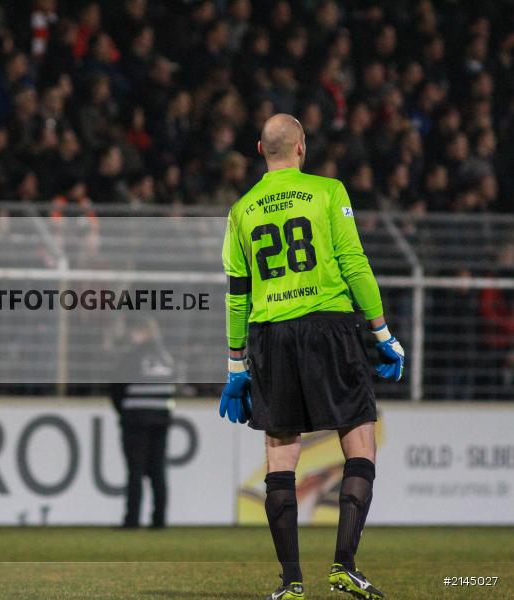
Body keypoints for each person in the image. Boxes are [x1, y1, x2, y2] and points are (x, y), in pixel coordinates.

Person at [219, 114, 404, 600]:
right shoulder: (327, 191)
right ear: (301, 147)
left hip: (271, 333)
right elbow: (354, 263)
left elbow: (237, 295)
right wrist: (382, 332)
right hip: (329, 326)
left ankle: (291, 582)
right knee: (359, 443)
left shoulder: (241, 210)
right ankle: (344, 566)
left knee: (281, 456)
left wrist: (236, 366)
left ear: (260, 149)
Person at [110, 316, 176, 529]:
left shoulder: (132, 357)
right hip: (161, 419)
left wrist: (124, 412)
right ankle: (159, 519)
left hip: (135, 419)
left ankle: (132, 520)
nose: (132, 335)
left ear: (143, 333)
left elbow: (116, 388)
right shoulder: (166, 358)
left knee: (135, 470)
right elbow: (173, 386)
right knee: (158, 470)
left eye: (135, 331)